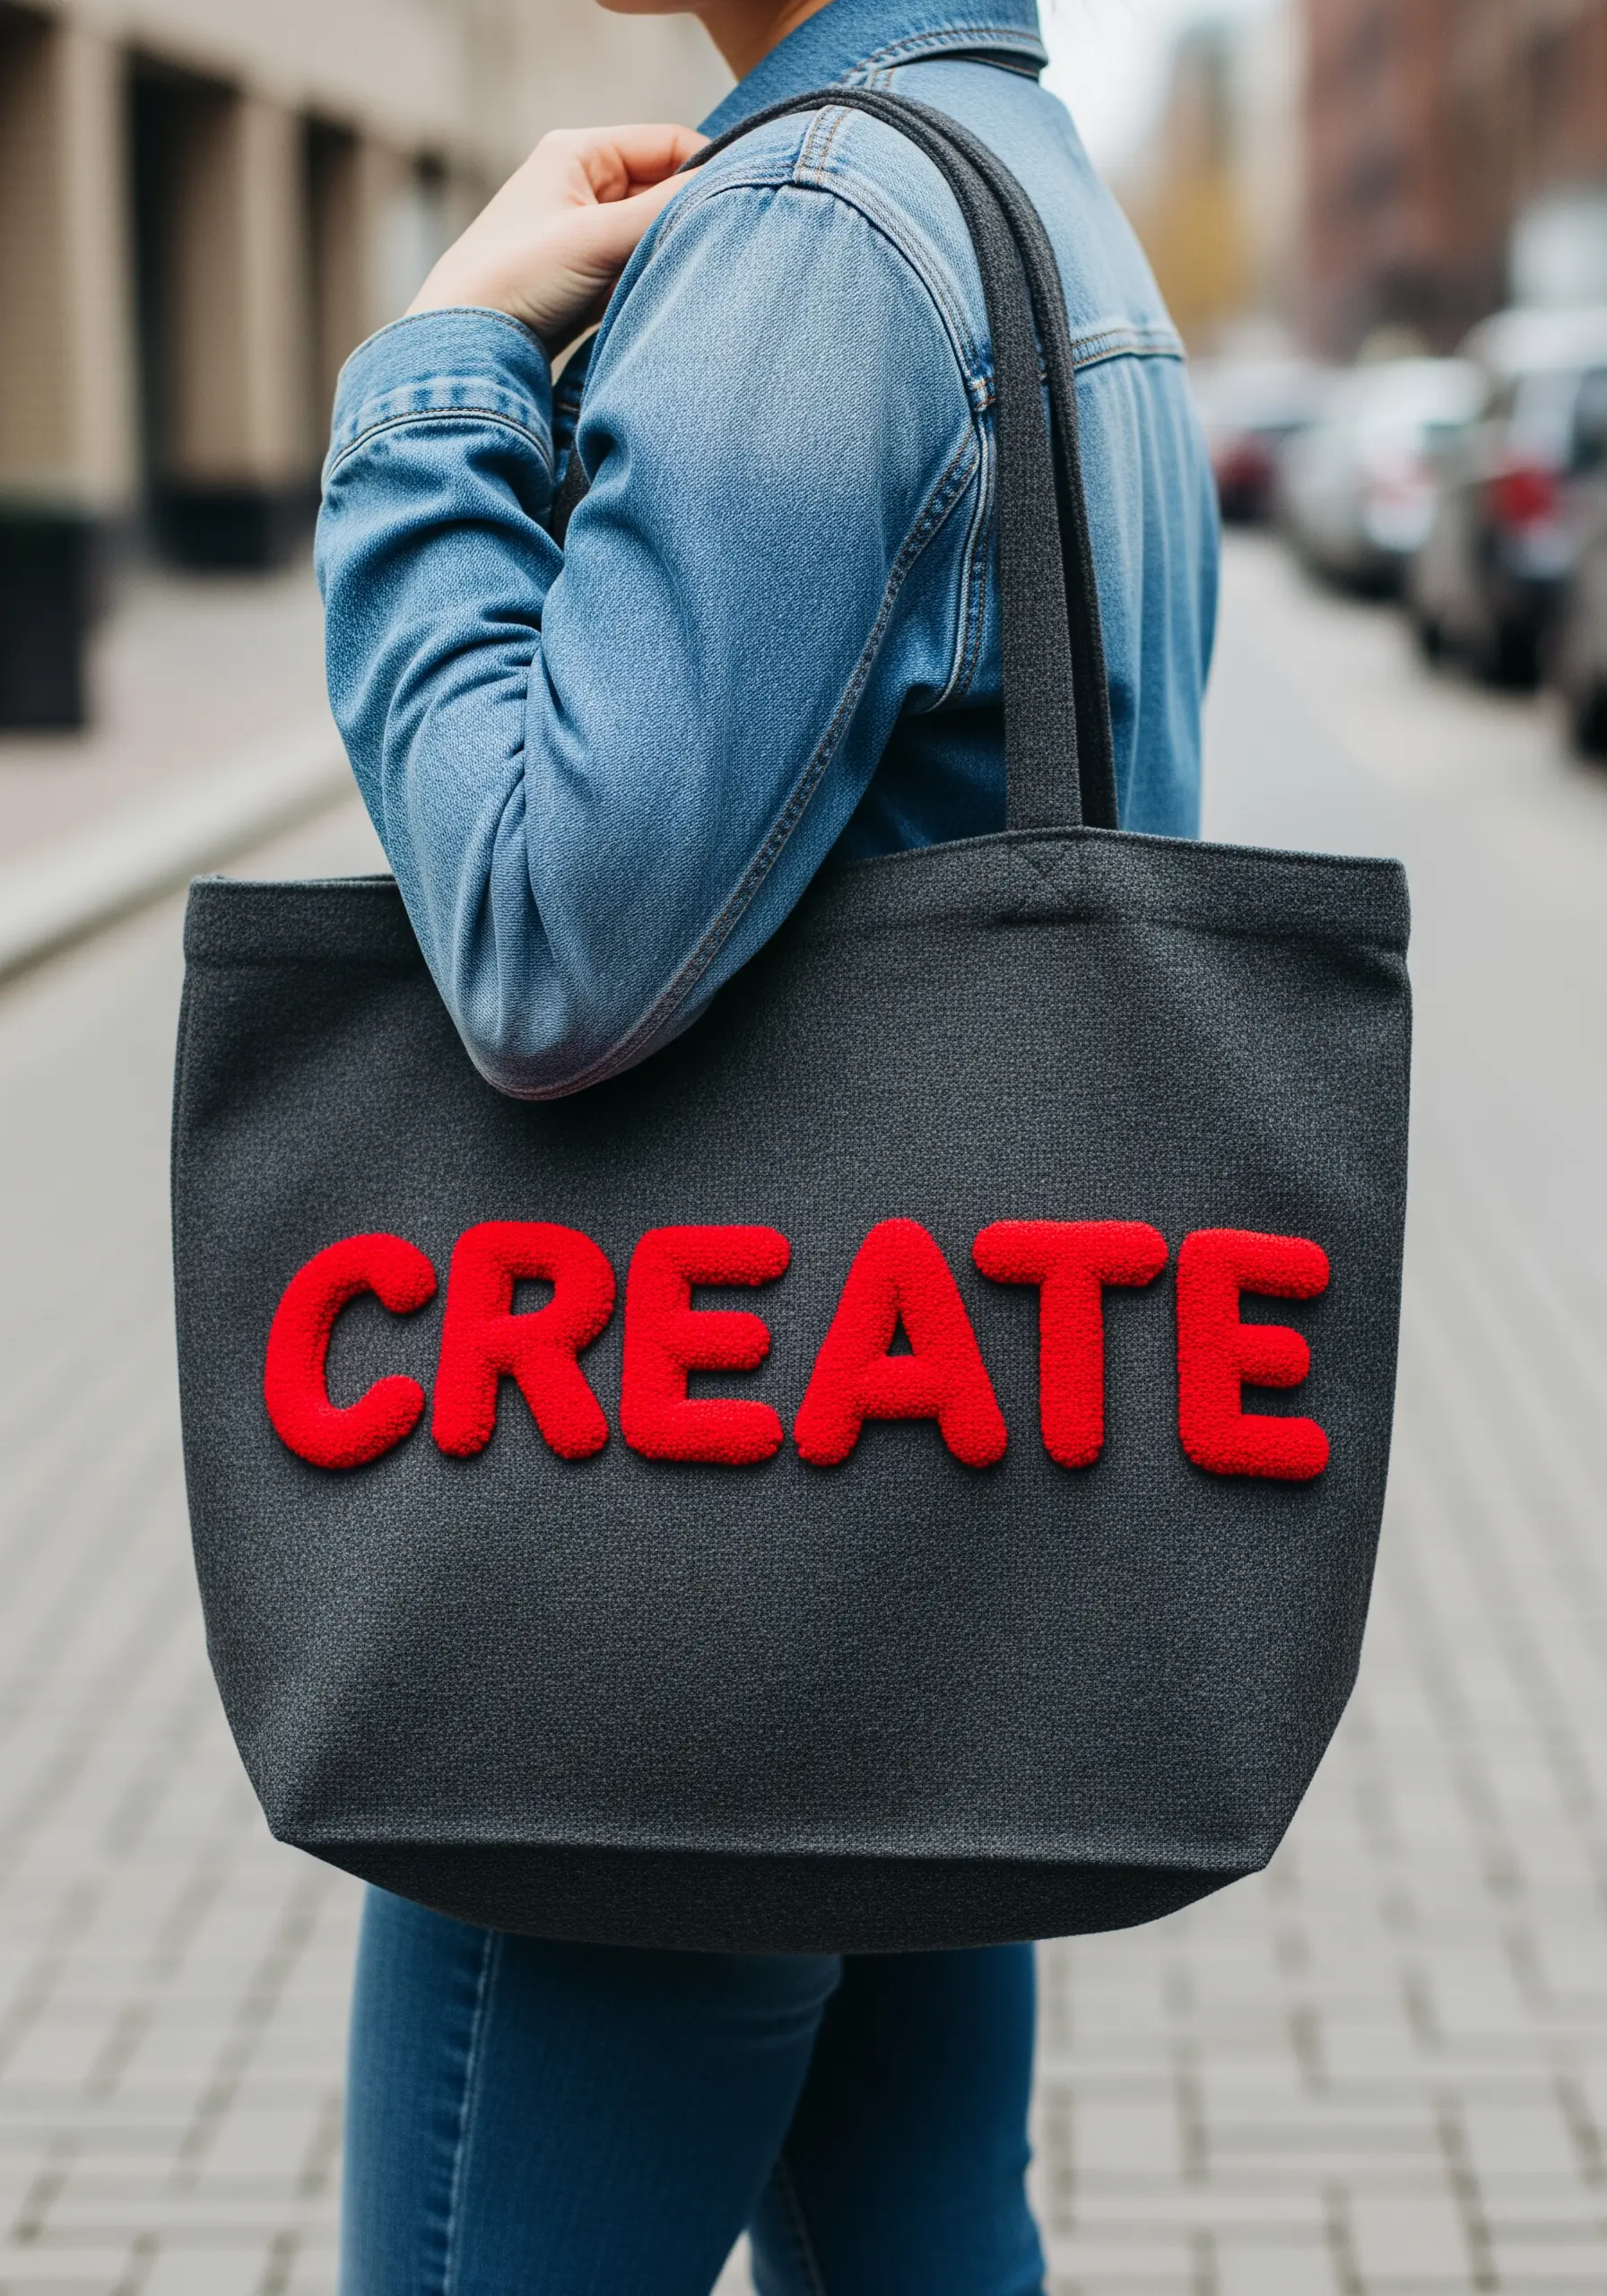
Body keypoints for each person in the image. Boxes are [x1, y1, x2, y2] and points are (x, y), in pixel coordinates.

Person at [317, 0, 1217, 2286]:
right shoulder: (1039, 197)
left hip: (669, 1568)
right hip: (922, 1523)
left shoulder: (820, 226)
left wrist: (427, 378)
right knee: (923, 2245)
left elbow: (545, 937)